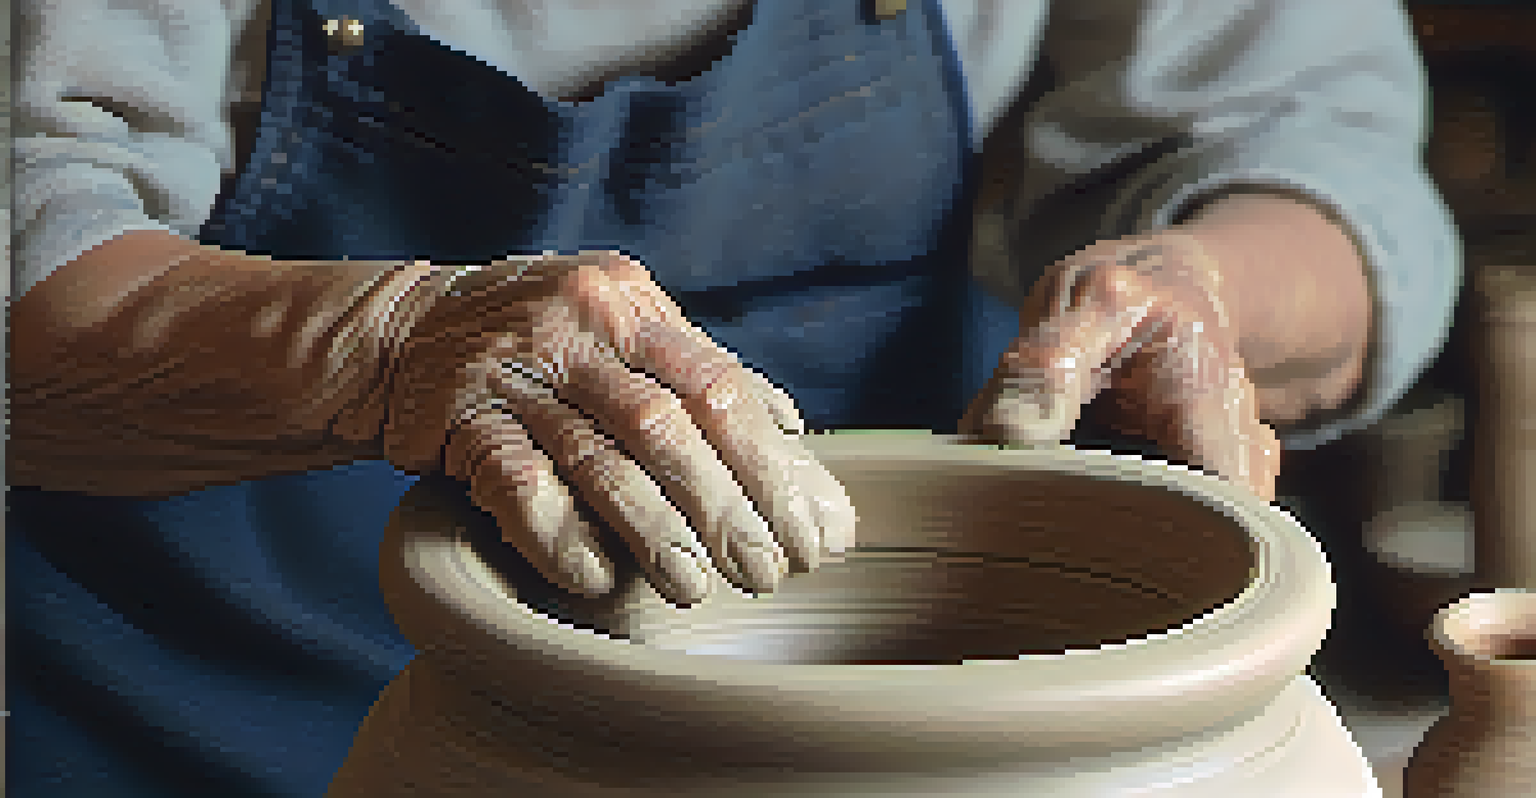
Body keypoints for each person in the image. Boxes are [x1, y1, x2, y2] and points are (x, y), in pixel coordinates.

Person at [10, 0, 1459, 794]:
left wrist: (1197, 292)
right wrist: (384, 338)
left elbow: (1300, 134)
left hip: (929, 692)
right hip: (194, 705)